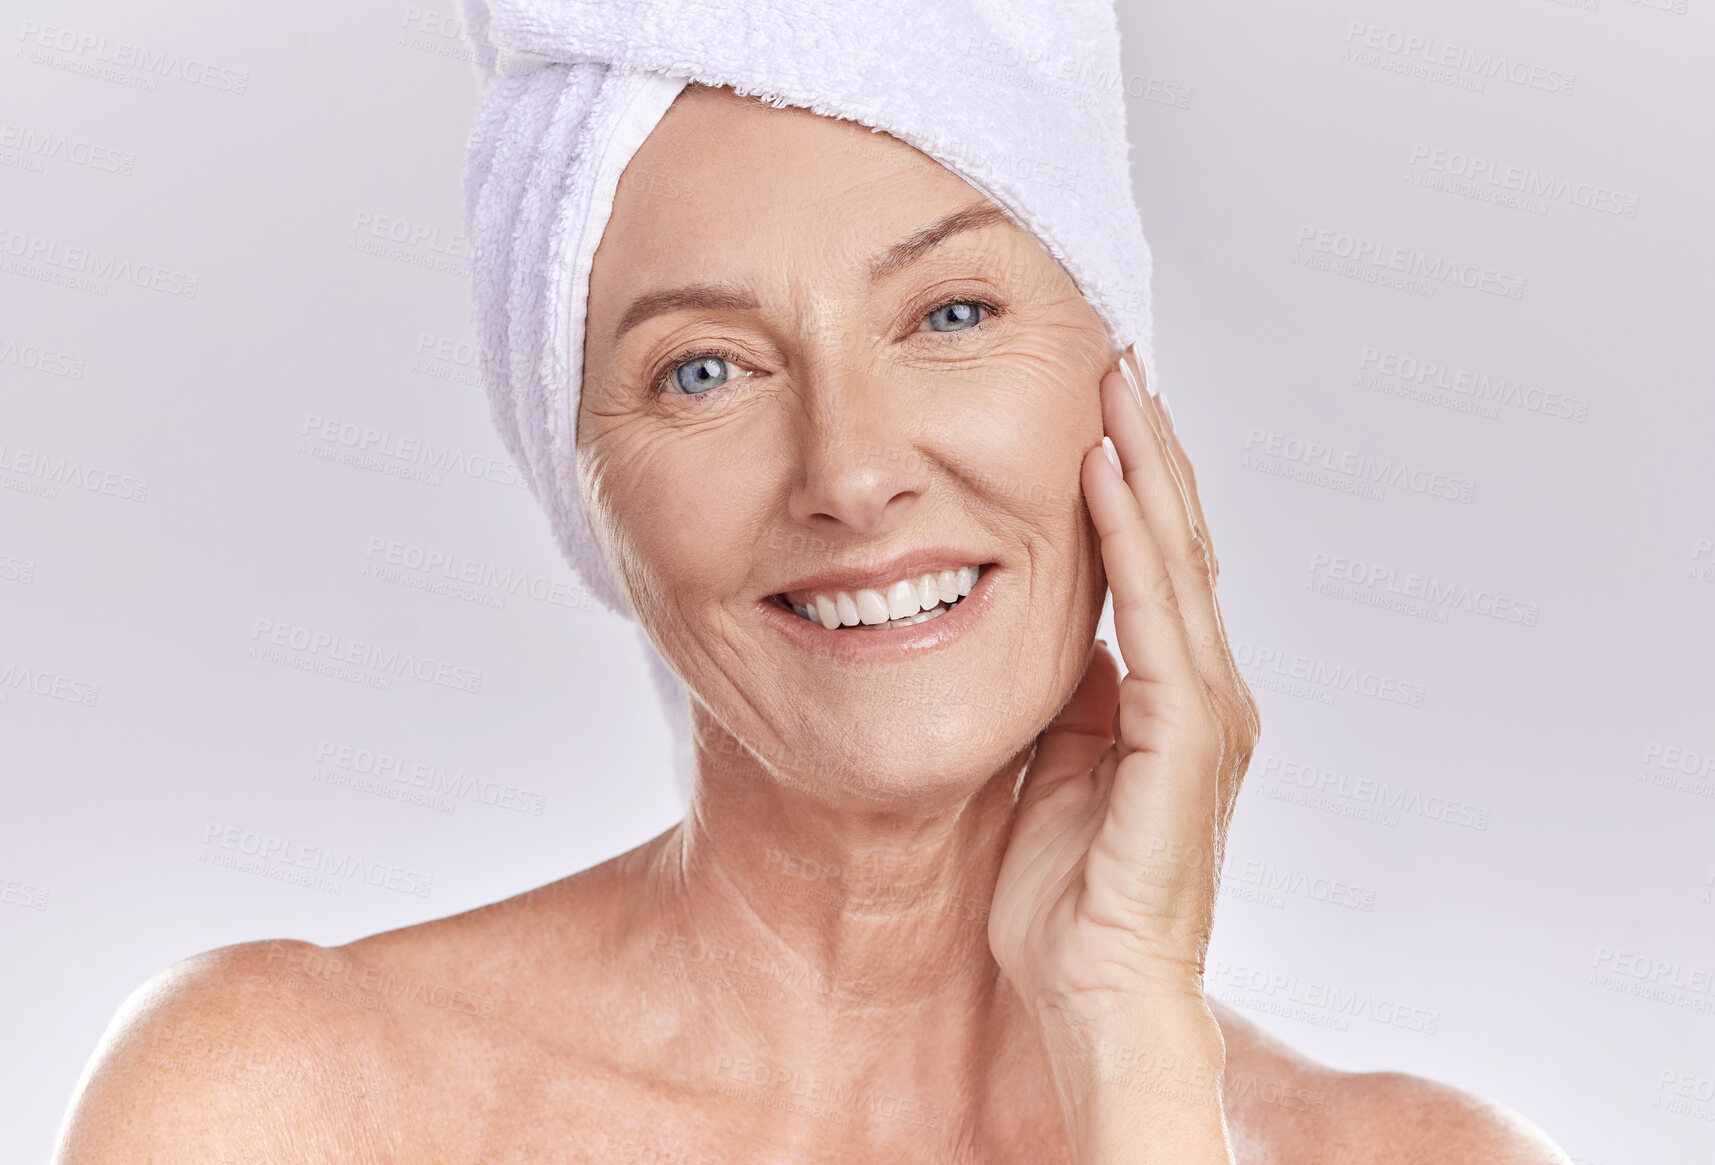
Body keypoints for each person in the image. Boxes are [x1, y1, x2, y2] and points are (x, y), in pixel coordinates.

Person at [53, 82, 1571, 1164]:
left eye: (951, 316)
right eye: (704, 370)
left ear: (1122, 392)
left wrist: (1134, 1060)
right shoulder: (281, 1112)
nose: (850, 471)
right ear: (587, 484)